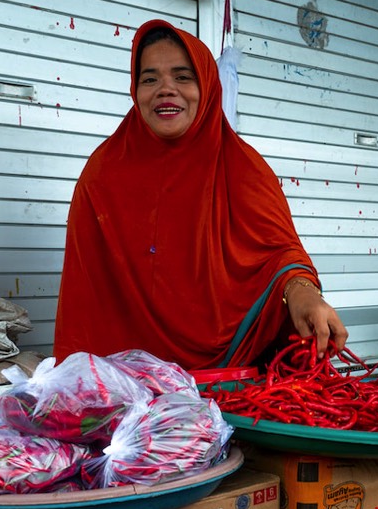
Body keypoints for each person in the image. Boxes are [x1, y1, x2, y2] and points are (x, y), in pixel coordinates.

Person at [53, 19, 348, 369]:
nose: (165, 89)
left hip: (236, 381)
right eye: (150, 79)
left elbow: (281, 254)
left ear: (207, 86)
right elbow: (83, 300)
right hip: (130, 392)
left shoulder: (243, 169)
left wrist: (302, 294)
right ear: (136, 90)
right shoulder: (101, 175)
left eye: (183, 77)